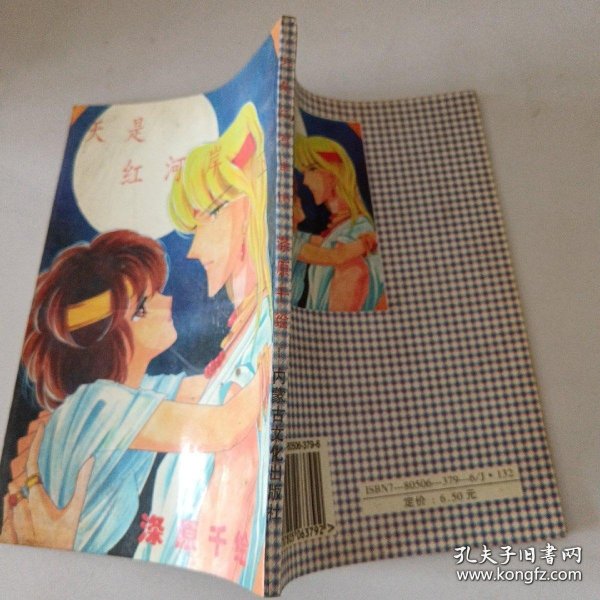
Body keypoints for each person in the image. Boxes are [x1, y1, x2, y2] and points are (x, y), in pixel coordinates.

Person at [2, 229, 266, 555]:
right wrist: (270, 352)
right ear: (107, 340)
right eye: (142, 307)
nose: (166, 301)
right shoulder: (96, 405)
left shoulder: (137, 394)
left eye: (157, 292)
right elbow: (221, 427)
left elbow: (204, 391)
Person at [294, 134, 387, 312]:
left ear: (333, 171)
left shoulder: (354, 233)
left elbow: (338, 258)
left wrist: (367, 241)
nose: (305, 180)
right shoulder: (342, 231)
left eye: (311, 169)